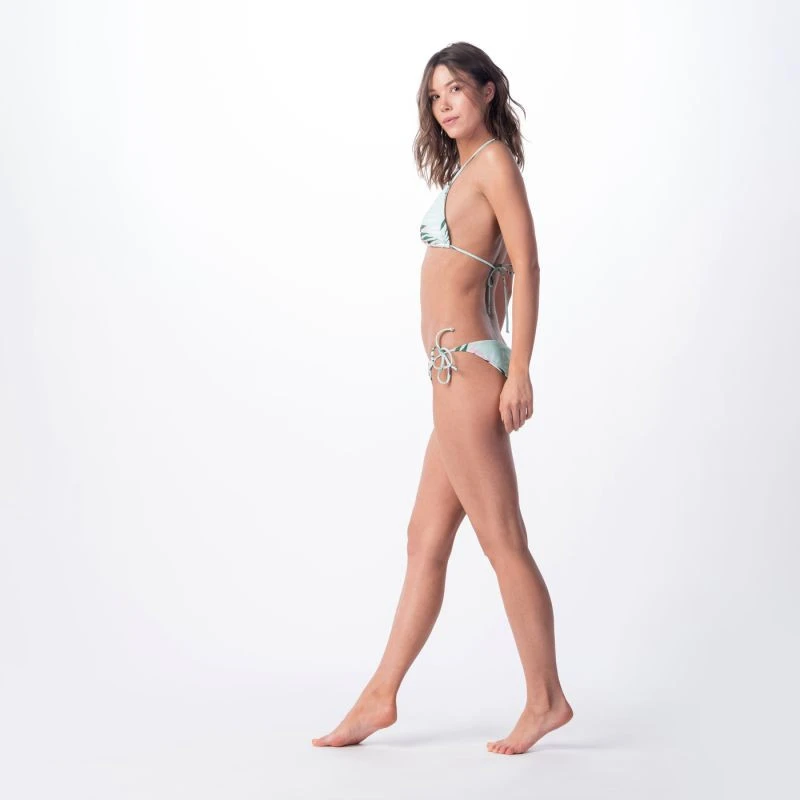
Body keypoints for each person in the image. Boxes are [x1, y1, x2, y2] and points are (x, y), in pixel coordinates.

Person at [312, 42, 573, 756]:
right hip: (450, 374)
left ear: (488, 91)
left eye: (457, 88)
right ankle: (380, 697)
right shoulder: (467, 169)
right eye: (435, 95)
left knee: (502, 540)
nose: (445, 103)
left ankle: (546, 699)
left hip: (469, 376)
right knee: (424, 540)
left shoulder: (494, 164)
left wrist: (519, 369)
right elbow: (497, 273)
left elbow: (529, 263)